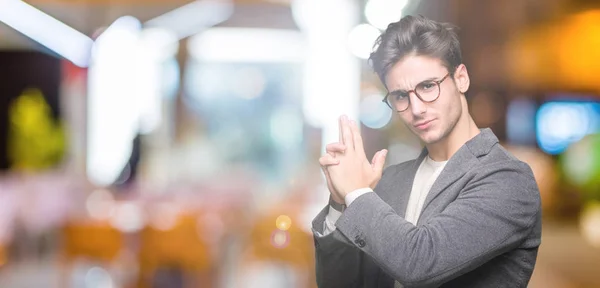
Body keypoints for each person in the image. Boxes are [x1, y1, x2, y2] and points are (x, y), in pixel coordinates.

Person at [314, 15, 542, 288]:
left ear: (461, 79)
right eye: (401, 95)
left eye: (427, 86)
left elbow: (421, 261)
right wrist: (341, 203)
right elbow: (340, 284)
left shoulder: (508, 180)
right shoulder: (389, 181)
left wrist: (357, 194)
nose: (417, 108)